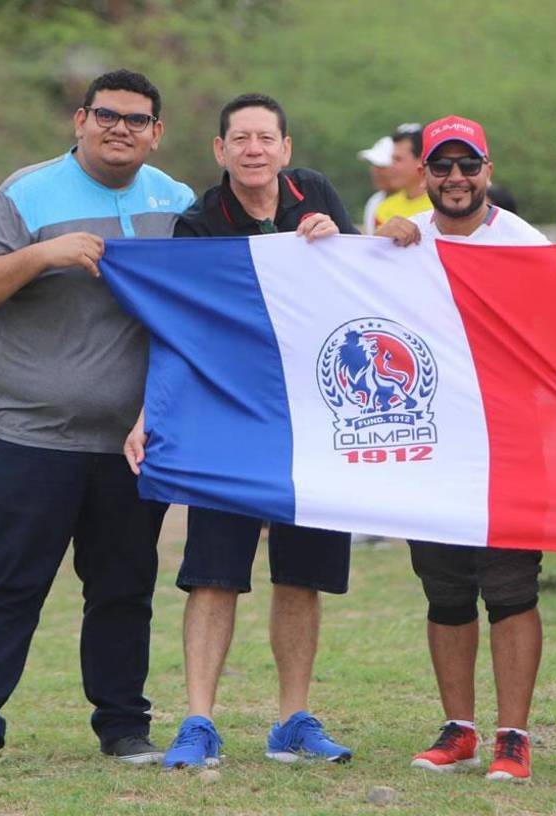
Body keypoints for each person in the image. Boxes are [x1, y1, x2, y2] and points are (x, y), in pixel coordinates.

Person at [0, 69, 195, 771]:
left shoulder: (176, 202)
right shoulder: (27, 194)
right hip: (26, 434)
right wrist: (42, 253)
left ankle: (123, 727)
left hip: (132, 443)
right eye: (106, 115)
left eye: (136, 120)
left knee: (123, 589)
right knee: (7, 586)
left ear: (156, 132)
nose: (121, 129)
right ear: (79, 121)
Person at [124, 92, 367, 770]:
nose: (254, 148)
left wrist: (350, 242)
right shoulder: (199, 223)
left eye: (266, 137)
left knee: (303, 573)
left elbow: (359, 291)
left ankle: (293, 720)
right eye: (241, 138)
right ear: (220, 151)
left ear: (286, 149)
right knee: (213, 573)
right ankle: (198, 721)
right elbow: (178, 327)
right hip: (227, 417)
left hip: (314, 419)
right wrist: (153, 413)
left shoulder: (315, 194)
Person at [378, 115, 548, 784]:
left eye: (466, 165)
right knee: (444, 590)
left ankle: (514, 735)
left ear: (488, 170)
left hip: (508, 441)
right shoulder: (400, 241)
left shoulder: (527, 245)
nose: (455, 179)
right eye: (441, 167)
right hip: (432, 444)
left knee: (511, 589)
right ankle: (460, 729)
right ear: (423, 175)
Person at [373, 122, 432, 230]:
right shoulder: (383, 209)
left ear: (422, 160)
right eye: (392, 159)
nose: (391, 166)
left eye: (398, 159)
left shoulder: (442, 207)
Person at [358, 135, 398, 235]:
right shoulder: (374, 202)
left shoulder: (429, 200)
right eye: (373, 164)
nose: (375, 171)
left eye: (382, 166)